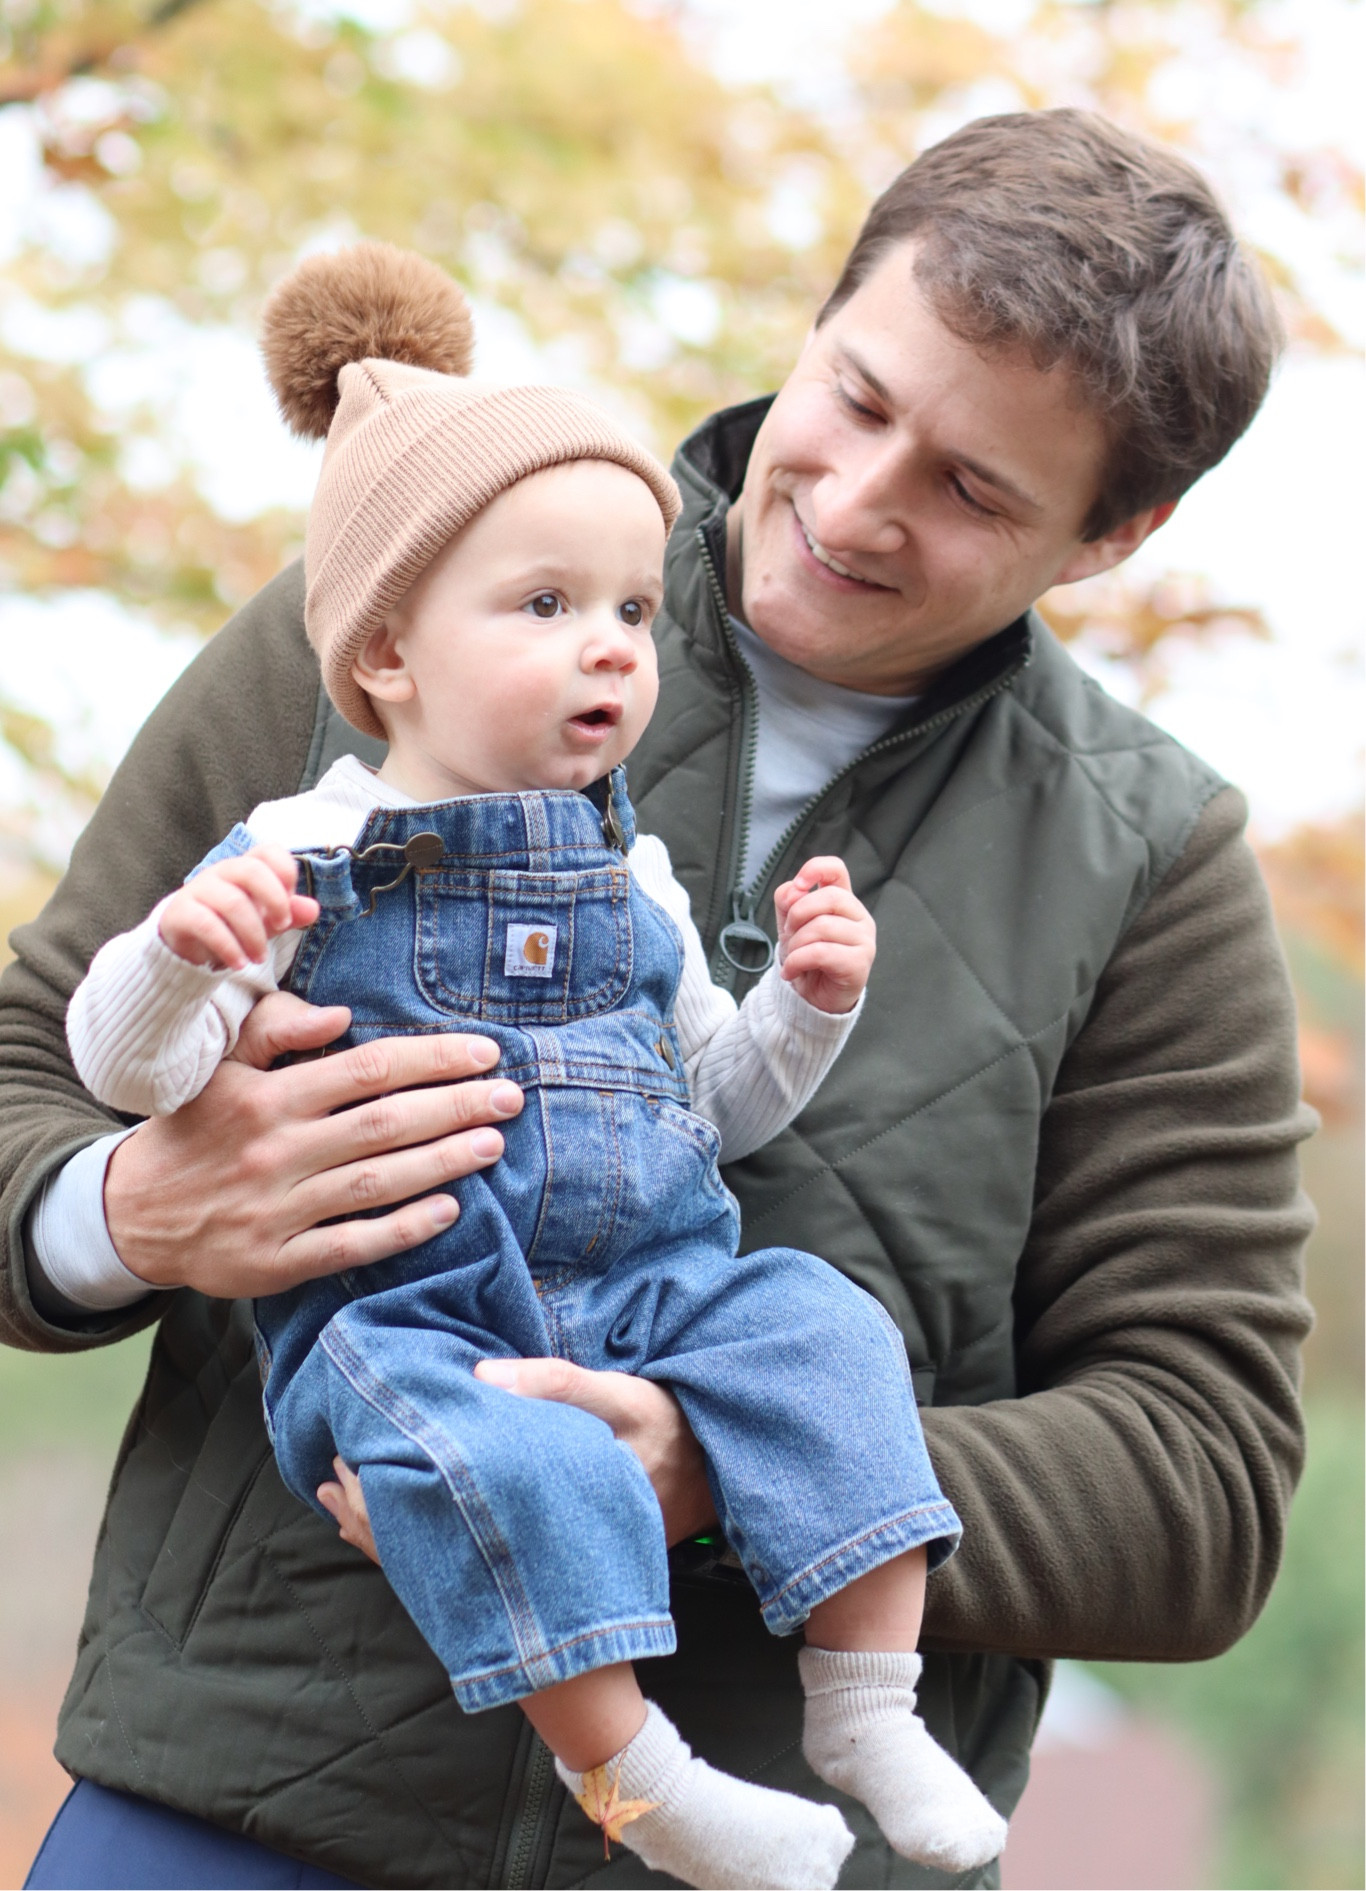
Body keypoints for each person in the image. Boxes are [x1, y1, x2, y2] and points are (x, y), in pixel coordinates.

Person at [6, 108, 1311, 1891]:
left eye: (972, 490)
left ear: (1114, 533)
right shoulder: (409, 587)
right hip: (237, 1810)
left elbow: (1200, 1486)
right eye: (856, 398)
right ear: (819, 317)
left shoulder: (1148, 860)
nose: (853, 504)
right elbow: (29, 1072)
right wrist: (134, 1210)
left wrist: (729, 1464)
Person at [62, 241, 1008, 1890]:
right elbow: (129, 1072)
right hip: (412, 1325)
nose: (615, 648)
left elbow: (708, 1109)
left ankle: (865, 1701)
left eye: (635, 610)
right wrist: (178, 959)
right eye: (548, 607)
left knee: (821, 1334)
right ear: (386, 655)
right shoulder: (298, 850)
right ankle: (635, 1776)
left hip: (653, 1291)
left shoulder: (630, 875)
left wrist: (803, 1005)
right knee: (511, 1464)